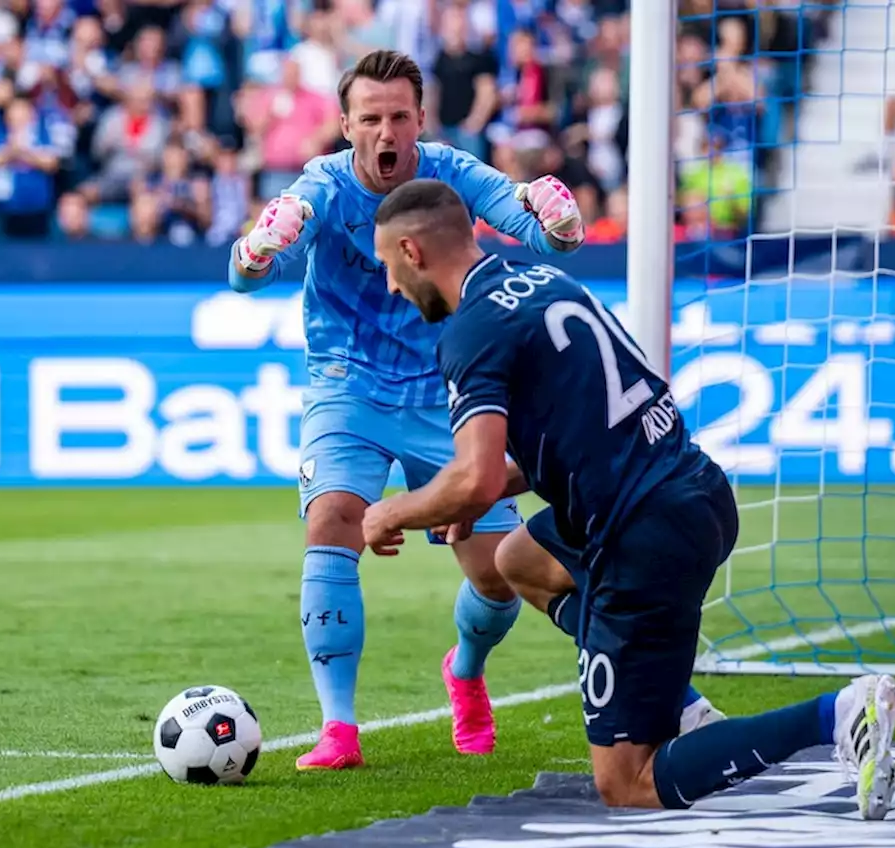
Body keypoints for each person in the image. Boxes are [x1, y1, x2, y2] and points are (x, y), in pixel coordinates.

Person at [226, 49, 722, 771]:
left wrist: (558, 220)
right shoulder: (322, 188)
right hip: (348, 385)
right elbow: (245, 274)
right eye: (370, 118)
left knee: (495, 572)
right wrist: (256, 245)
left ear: (420, 119)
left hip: (445, 389)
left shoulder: (452, 174)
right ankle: (338, 726)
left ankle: (465, 667)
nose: (386, 131)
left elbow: (537, 228)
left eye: (399, 115)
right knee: (331, 518)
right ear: (346, 125)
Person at [361, 177, 895, 819]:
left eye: (389, 267)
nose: (392, 286)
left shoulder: (470, 332)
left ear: (412, 251)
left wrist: (393, 510)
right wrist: (475, 499)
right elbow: (576, 436)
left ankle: (836, 714)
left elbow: (473, 476)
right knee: (517, 560)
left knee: (627, 783)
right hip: (693, 490)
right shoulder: (546, 284)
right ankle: (680, 706)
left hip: (639, 536)